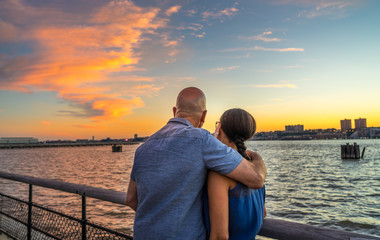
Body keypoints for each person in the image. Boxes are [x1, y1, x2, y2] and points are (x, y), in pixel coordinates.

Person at [126, 87, 266, 240]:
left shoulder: (142, 149)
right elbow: (256, 179)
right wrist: (255, 157)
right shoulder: (201, 140)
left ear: (174, 111)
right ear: (204, 115)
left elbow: (131, 199)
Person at [204, 108, 266, 240]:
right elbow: (263, 213)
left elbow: (219, 236)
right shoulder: (254, 168)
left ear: (219, 128)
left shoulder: (219, 175)